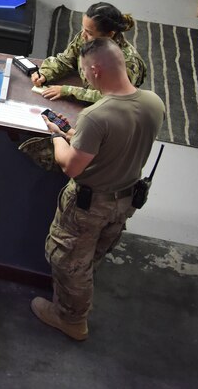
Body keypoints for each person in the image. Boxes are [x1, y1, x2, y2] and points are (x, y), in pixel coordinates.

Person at [32, 37, 165, 341]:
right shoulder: (153, 102)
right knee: (93, 254)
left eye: (83, 72)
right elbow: (120, 140)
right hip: (126, 197)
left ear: (95, 70)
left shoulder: (96, 116)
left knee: (69, 261)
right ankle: (75, 303)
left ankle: (71, 320)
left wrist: (56, 136)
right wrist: (76, 135)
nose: (84, 78)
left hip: (90, 204)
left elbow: (71, 166)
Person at [33, 2, 147, 104]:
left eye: (89, 32)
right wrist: (45, 74)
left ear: (110, 34)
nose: (83, 35)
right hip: (86, 91)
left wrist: (67, 91)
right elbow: (66, 60)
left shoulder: (128, 62)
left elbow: (115, 97)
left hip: (112, 109)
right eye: (84, 28)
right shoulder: (86, 38)